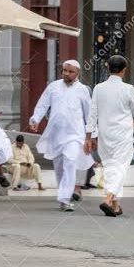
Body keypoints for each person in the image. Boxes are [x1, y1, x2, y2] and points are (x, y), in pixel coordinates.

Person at [29, 60, 94, 211]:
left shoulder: (83, 90)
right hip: (55, 135)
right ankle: (63, 195)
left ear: (77, 73)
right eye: (64, 70)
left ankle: (65, 199)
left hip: (75, 135)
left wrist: (91, 136)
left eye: (70, 71)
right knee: (59, 168)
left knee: (70, 162)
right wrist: (35, 119)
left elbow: (89, 114)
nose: (66, 73)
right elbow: (43, 104)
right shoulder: (53, 87)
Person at [85, 55, 134, 217]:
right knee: (120, 167)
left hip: (105, 135)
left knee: (111, 167)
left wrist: (88, 137)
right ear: (124, 70)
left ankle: (115, 206)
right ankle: (108, 197)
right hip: (123, 135)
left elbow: (92, 114)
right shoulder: (128, 89)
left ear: (108, 68)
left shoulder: (99, 88)